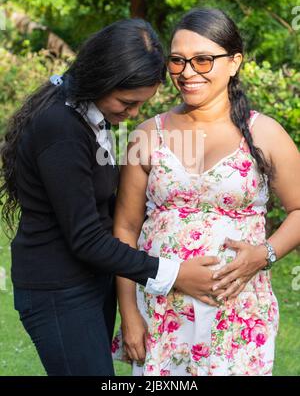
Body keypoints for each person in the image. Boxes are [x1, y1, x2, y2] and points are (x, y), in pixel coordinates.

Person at [0, 18, 223, 376]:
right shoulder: (61, 127)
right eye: (127, 102)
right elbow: (86, 238)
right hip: (59, 291)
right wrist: (174, 273)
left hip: (89, 285)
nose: (133, 114)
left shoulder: (90, 115)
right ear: (101, 79)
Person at [112, 8, 300, 376]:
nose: (187, 72)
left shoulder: (266, 134)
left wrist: (264, 254)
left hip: (239, 312)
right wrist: (129, 312)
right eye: (178, 61)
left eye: (203, 60)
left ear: (234, 62)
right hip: (161, 310)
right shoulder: (147, 134)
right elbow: (124, 229)